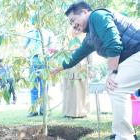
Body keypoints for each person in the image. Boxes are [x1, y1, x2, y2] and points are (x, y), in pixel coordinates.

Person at [51, 1, 140, 139]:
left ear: (85, 12)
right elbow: (77, 55)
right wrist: (59, 67)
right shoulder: (91, 36)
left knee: (115, 85)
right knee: (115, 87)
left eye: (73, 20)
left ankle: (123, 136)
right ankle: (122, 135)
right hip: (134, 57)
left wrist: (112, 73)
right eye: (70, 23)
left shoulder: (97, 16)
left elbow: (114, 44)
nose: (73, 25)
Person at [24, 16, 53, 117]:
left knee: (44, 86)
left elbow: (52, 46)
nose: (37, 23)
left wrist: (49, 54)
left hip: (45, 60)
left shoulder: (48, 33)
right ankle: (33, 110)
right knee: (33, 86)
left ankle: (43, 109)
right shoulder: (29, 33)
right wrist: (26, 58)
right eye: (35, 21)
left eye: (38, 21)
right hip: (33, 60)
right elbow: (24, 47)